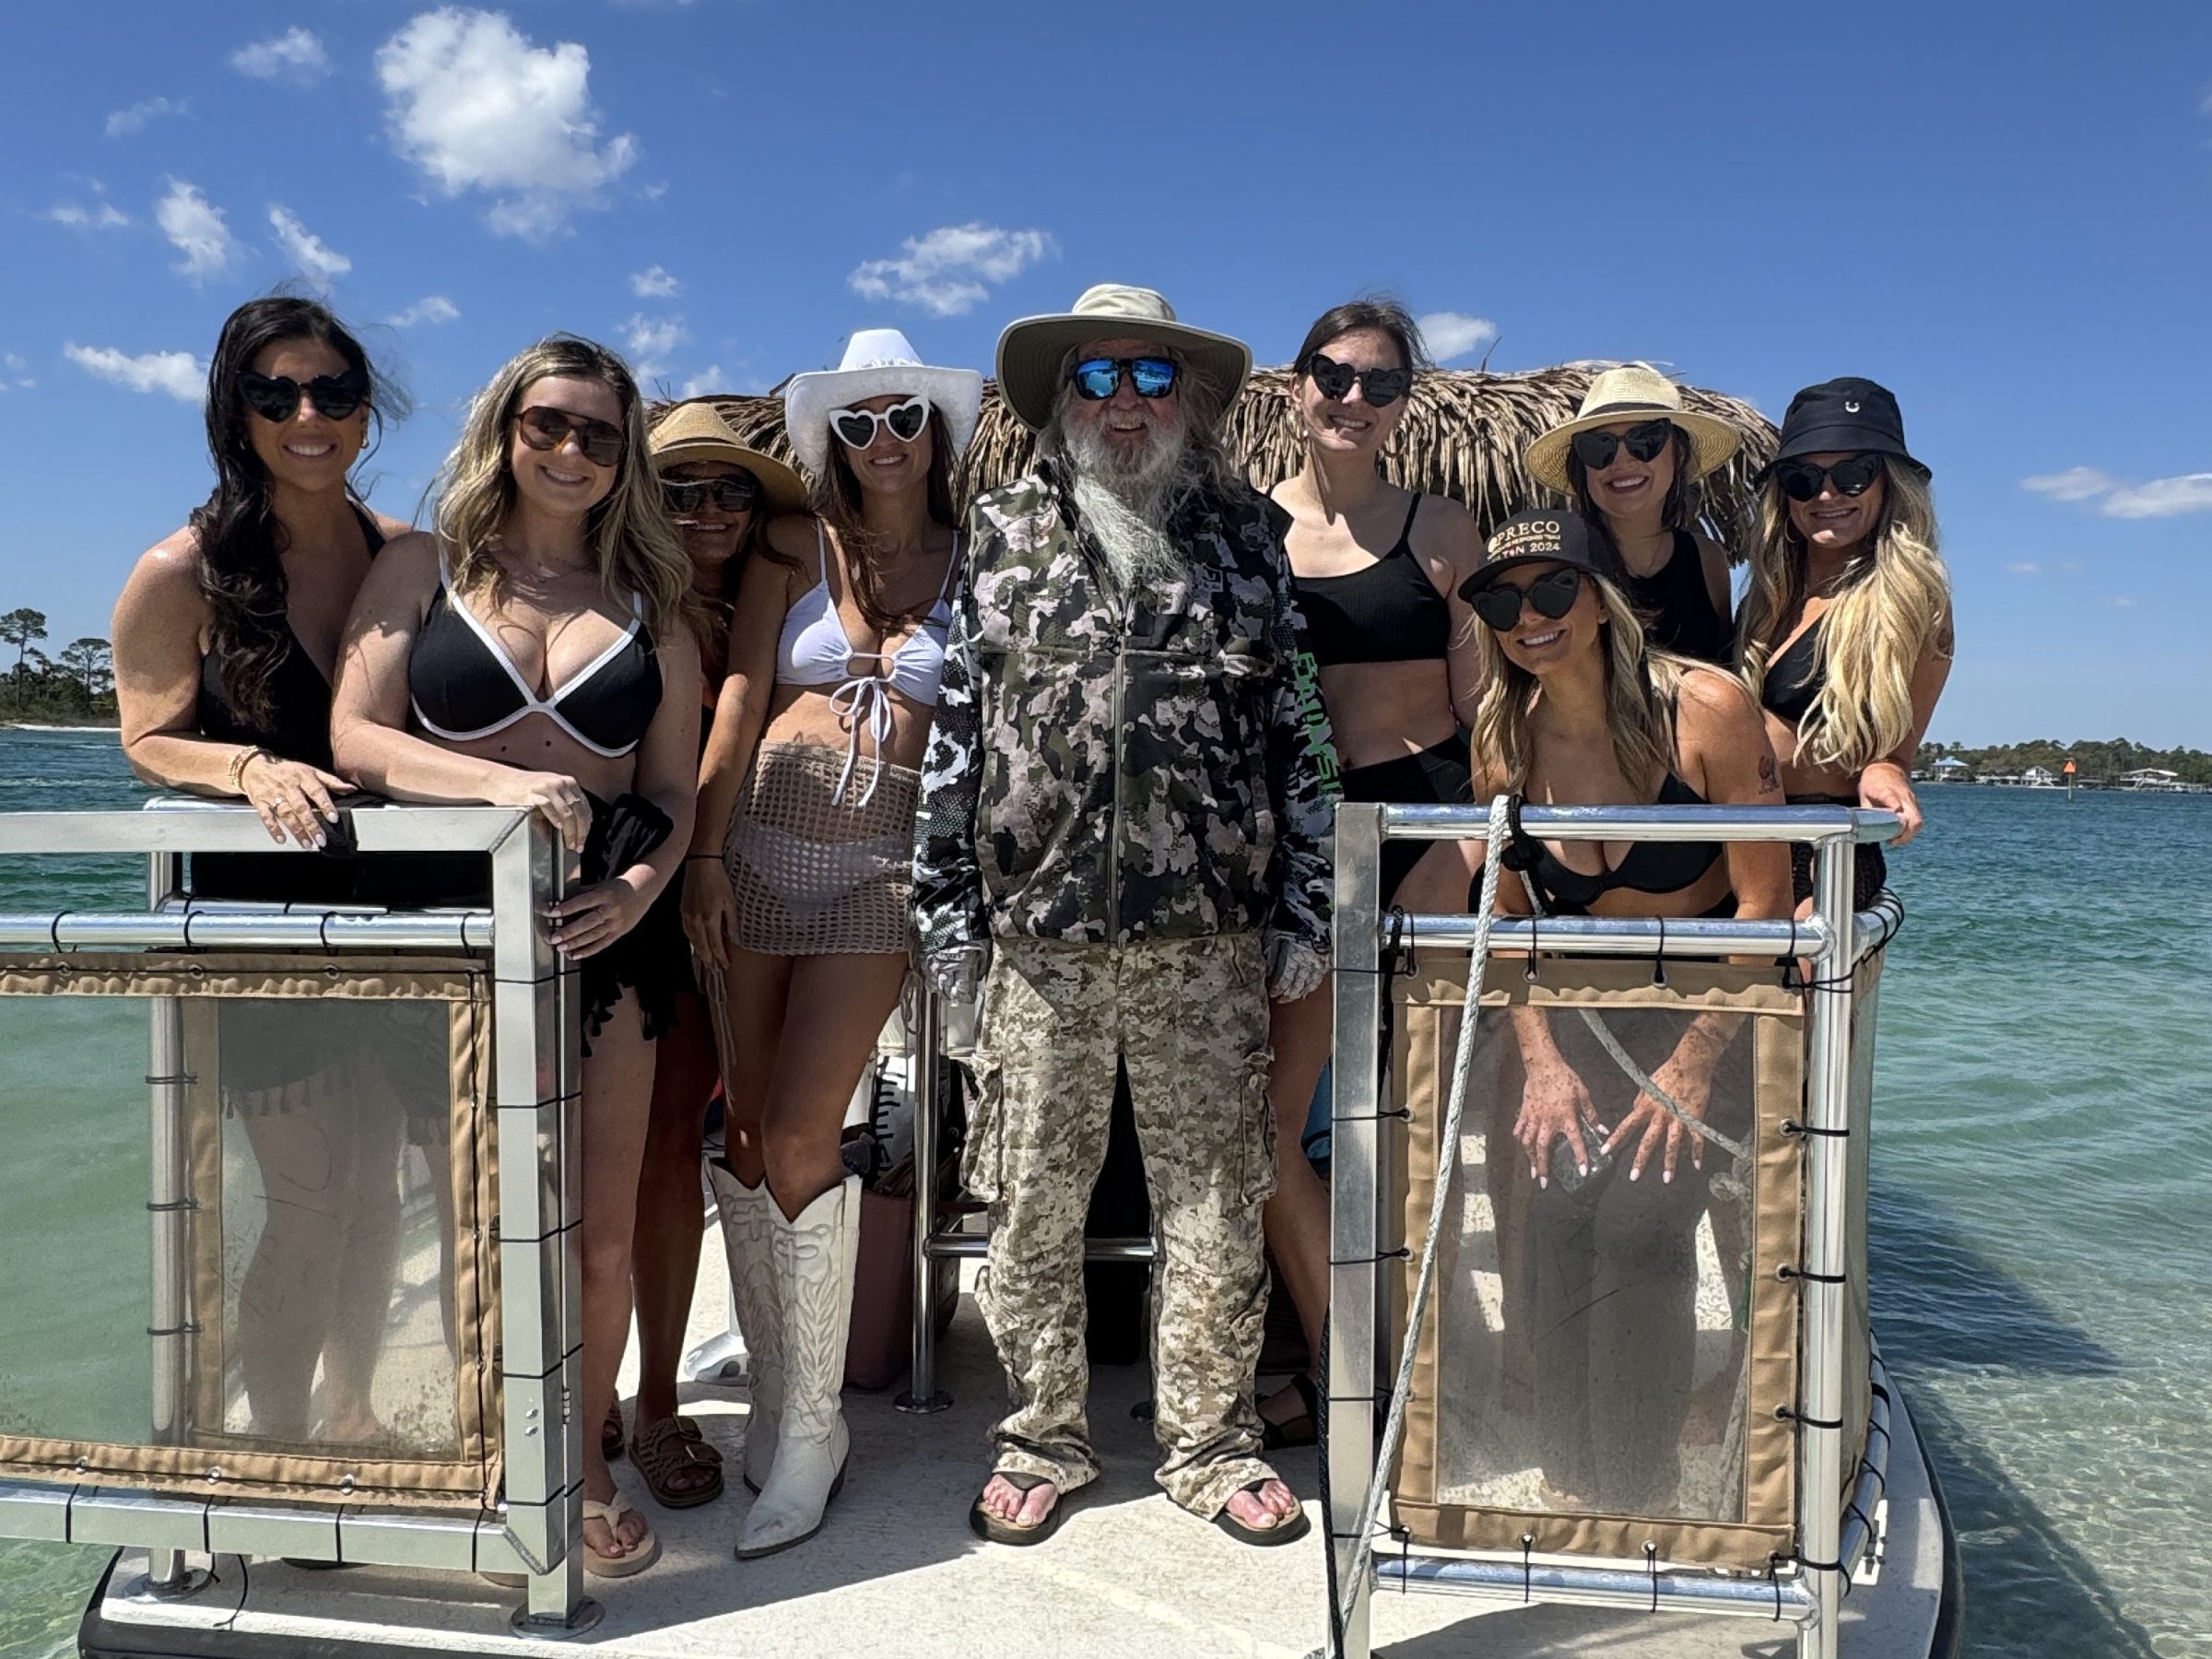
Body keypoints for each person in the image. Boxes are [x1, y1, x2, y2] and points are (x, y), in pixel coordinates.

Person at [913, 282, 1335, 1549]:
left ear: (1189, 398)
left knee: (1214, 1198)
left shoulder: (1250, 539)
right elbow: (956, 739)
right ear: (1062, 402)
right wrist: (947, 920)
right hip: (1035, 940)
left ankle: (1210, 1443)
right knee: (1031, 1202)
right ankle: (1041, 1437)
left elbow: (1298, 734)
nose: (1127, 403)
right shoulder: (994, 534)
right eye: (1098, 379)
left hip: (1207, 940)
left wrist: (1305, 902)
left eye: (1151, 377)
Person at [330, 335, 702, 1577]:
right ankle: (498, 1446)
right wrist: (508, 784)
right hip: (453, 940)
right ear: (505, 429)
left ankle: (581, 1456)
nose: (574, 450)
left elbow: (674, 793)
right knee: (480, 1220)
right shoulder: (421, 570)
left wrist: (641, 890)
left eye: (602, 434)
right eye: (550, 423)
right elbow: (360, 737)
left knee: (595, 1235)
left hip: (607, 946)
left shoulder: (652, 605)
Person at [682, 329, 981, 1559]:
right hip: (757, 851)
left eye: (903, 416)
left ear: (936, 428)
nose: (884, 440)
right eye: (858, 424)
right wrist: (701, 854)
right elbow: (746, 697)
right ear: (831, 440)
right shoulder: (788, 548)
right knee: (744, 1123)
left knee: (809, 1123)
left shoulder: (982, 557)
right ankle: (774, 1391)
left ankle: (813, 1430)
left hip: (881, 873)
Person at [111, 296, 419, 1451]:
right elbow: (144, 738)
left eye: (334, 392)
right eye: (275, 392)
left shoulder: (400, 554)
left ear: (363, 413)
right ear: (233, 412)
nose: (307, 414)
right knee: (307, 1202)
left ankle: (353, 1409)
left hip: (404, 919)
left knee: (380, 1190)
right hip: (257, 926)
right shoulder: (182, 568)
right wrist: (245, 764)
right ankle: (277, 1443)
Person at [1462, 509, 1788, 1515]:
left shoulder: (1706, 710)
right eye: (1503, 599)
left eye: (1555, 588)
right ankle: (1573, 1472)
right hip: (1580, 1017)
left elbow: (1766, 908)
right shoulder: (1502, 736)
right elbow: (1507, 926)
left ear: (1603, 600)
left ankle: (1638, 1485)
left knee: (1643, 1221)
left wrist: (1695, 1061)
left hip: (1712, 1006)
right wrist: (1543, 1061)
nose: (1530, 616)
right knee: (1557, 1213)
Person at [1256, 298, 1486, 1449]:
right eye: (1331, 375)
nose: (1352, 398)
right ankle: (1354, 1361)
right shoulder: (1252, 532)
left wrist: (1497, 832)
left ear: (1407, 402)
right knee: (1272, 1121)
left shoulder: (1444, 527)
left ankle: (1434, 1365)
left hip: (1434, 819)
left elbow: (1490, 699)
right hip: (1303, 835)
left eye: (1379, 383)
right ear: (1296, 386)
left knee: (1423, 1112)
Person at [613, 399, 807, 1510]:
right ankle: (609, 1392)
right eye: (680, 490)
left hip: (739, 886)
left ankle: (662, 1401)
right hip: (631, 885)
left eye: (730, 488)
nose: (709, 510)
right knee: (623, 1148)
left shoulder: (784, 597)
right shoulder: (621, 603)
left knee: (707, 1140)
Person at [1735, 378, 1952, 907]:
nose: (1827, 494)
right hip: (1734, 831)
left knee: (1800, 966)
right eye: (1803, 478)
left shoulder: (1912, 603)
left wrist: (1886, 770)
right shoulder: (1763, 600)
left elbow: (1896, 753)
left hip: (1821, 840)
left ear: (1889, 484)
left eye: (1854, 474)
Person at [1524, 363, 1742, 665]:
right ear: (1582, 466)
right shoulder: (1558, 562)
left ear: (1678, 454)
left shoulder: (1707, 558)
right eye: (1599, 446)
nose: (1622, 459)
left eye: (1646, 439)